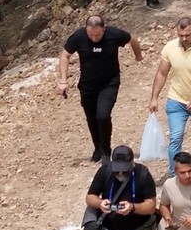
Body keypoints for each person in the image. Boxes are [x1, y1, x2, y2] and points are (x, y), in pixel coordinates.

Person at [59, 13, 143, 162]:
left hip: (109, 83)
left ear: (104, 29)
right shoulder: (79, 36)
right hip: (87, 85)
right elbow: (65, 56)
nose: (94, 38)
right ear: (86, 29)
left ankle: (105, 150)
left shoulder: (114, 35)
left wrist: (138, 57)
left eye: (97, 35)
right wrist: (63, 80)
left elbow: (133, 39)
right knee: (91, 117)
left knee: (103, 115)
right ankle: (97, 147)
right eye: (91, 35)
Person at [149, 17, 191, 176]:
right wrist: (154, 98)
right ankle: (174, 173)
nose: (184, 38)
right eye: (181, 35)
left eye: (187, 35)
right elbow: (162, 73)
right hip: (176, 100)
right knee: (176, 137)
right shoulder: (170, 48)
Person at [84, 144, 157, 230]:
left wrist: (132, 207)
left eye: (124, 170)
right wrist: (100, 203)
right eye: (117, 170)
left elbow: (151, 206)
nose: (120, 173)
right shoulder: (105, 171)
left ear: (132, 163)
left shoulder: (143, 174)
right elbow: (90, 197)